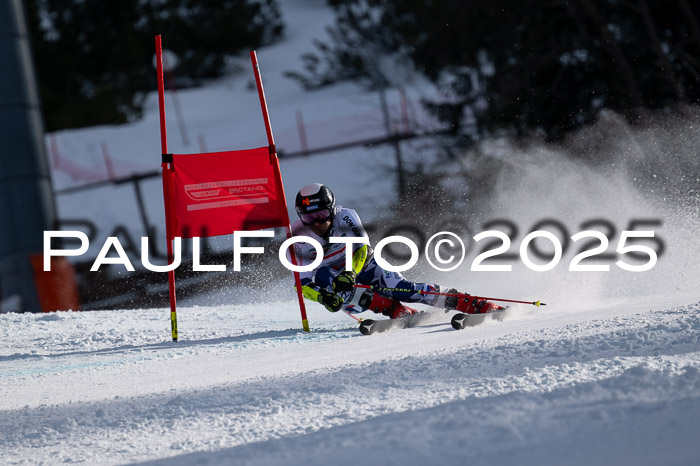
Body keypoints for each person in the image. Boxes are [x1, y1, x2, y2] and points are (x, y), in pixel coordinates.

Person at [290, 183, 499, 319]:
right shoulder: (298, 239)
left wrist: (350, 273)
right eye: (309, 218)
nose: (317, 223)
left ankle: (469, 303)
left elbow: (364, 249)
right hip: (343, 289)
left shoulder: (345, 217)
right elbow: (303, 284)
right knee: (326, 276)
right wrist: (323, 298)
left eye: (322, 214)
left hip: (365, 267)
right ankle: (393, 310)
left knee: (402, 290)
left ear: (332, 208)